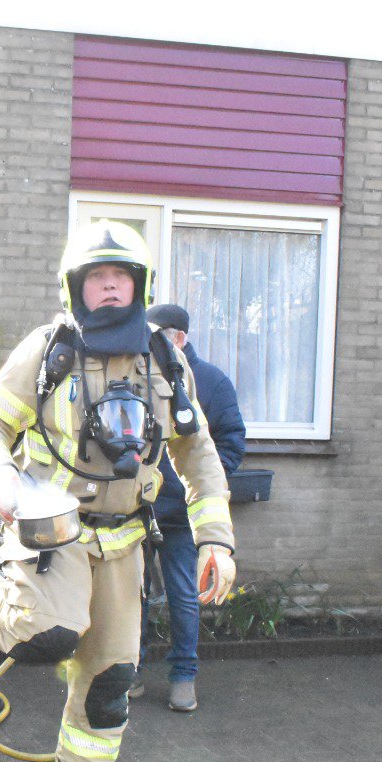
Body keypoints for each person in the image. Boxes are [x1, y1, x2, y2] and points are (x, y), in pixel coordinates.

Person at [0, 221, 237, 762]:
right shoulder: (47, 350)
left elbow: (197, 455)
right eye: (97, 277)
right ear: (76, 288)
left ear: (138, 285)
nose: (109, 286)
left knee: (112, 676)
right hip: (52, 532)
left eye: (120, 276)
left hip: (126, 544)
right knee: (46, 634)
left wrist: (216, 539)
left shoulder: (165, 360)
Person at [135, 303, 246, 712]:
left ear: (179, 337)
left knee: (184, 594)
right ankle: (131, 671)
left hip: (183, 517)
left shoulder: (212, 381)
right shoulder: (143, 373)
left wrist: (195, 487)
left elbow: (230, 444)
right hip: (140, 510)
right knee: (134, 593)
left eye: (158, 333)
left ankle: (184, 677)